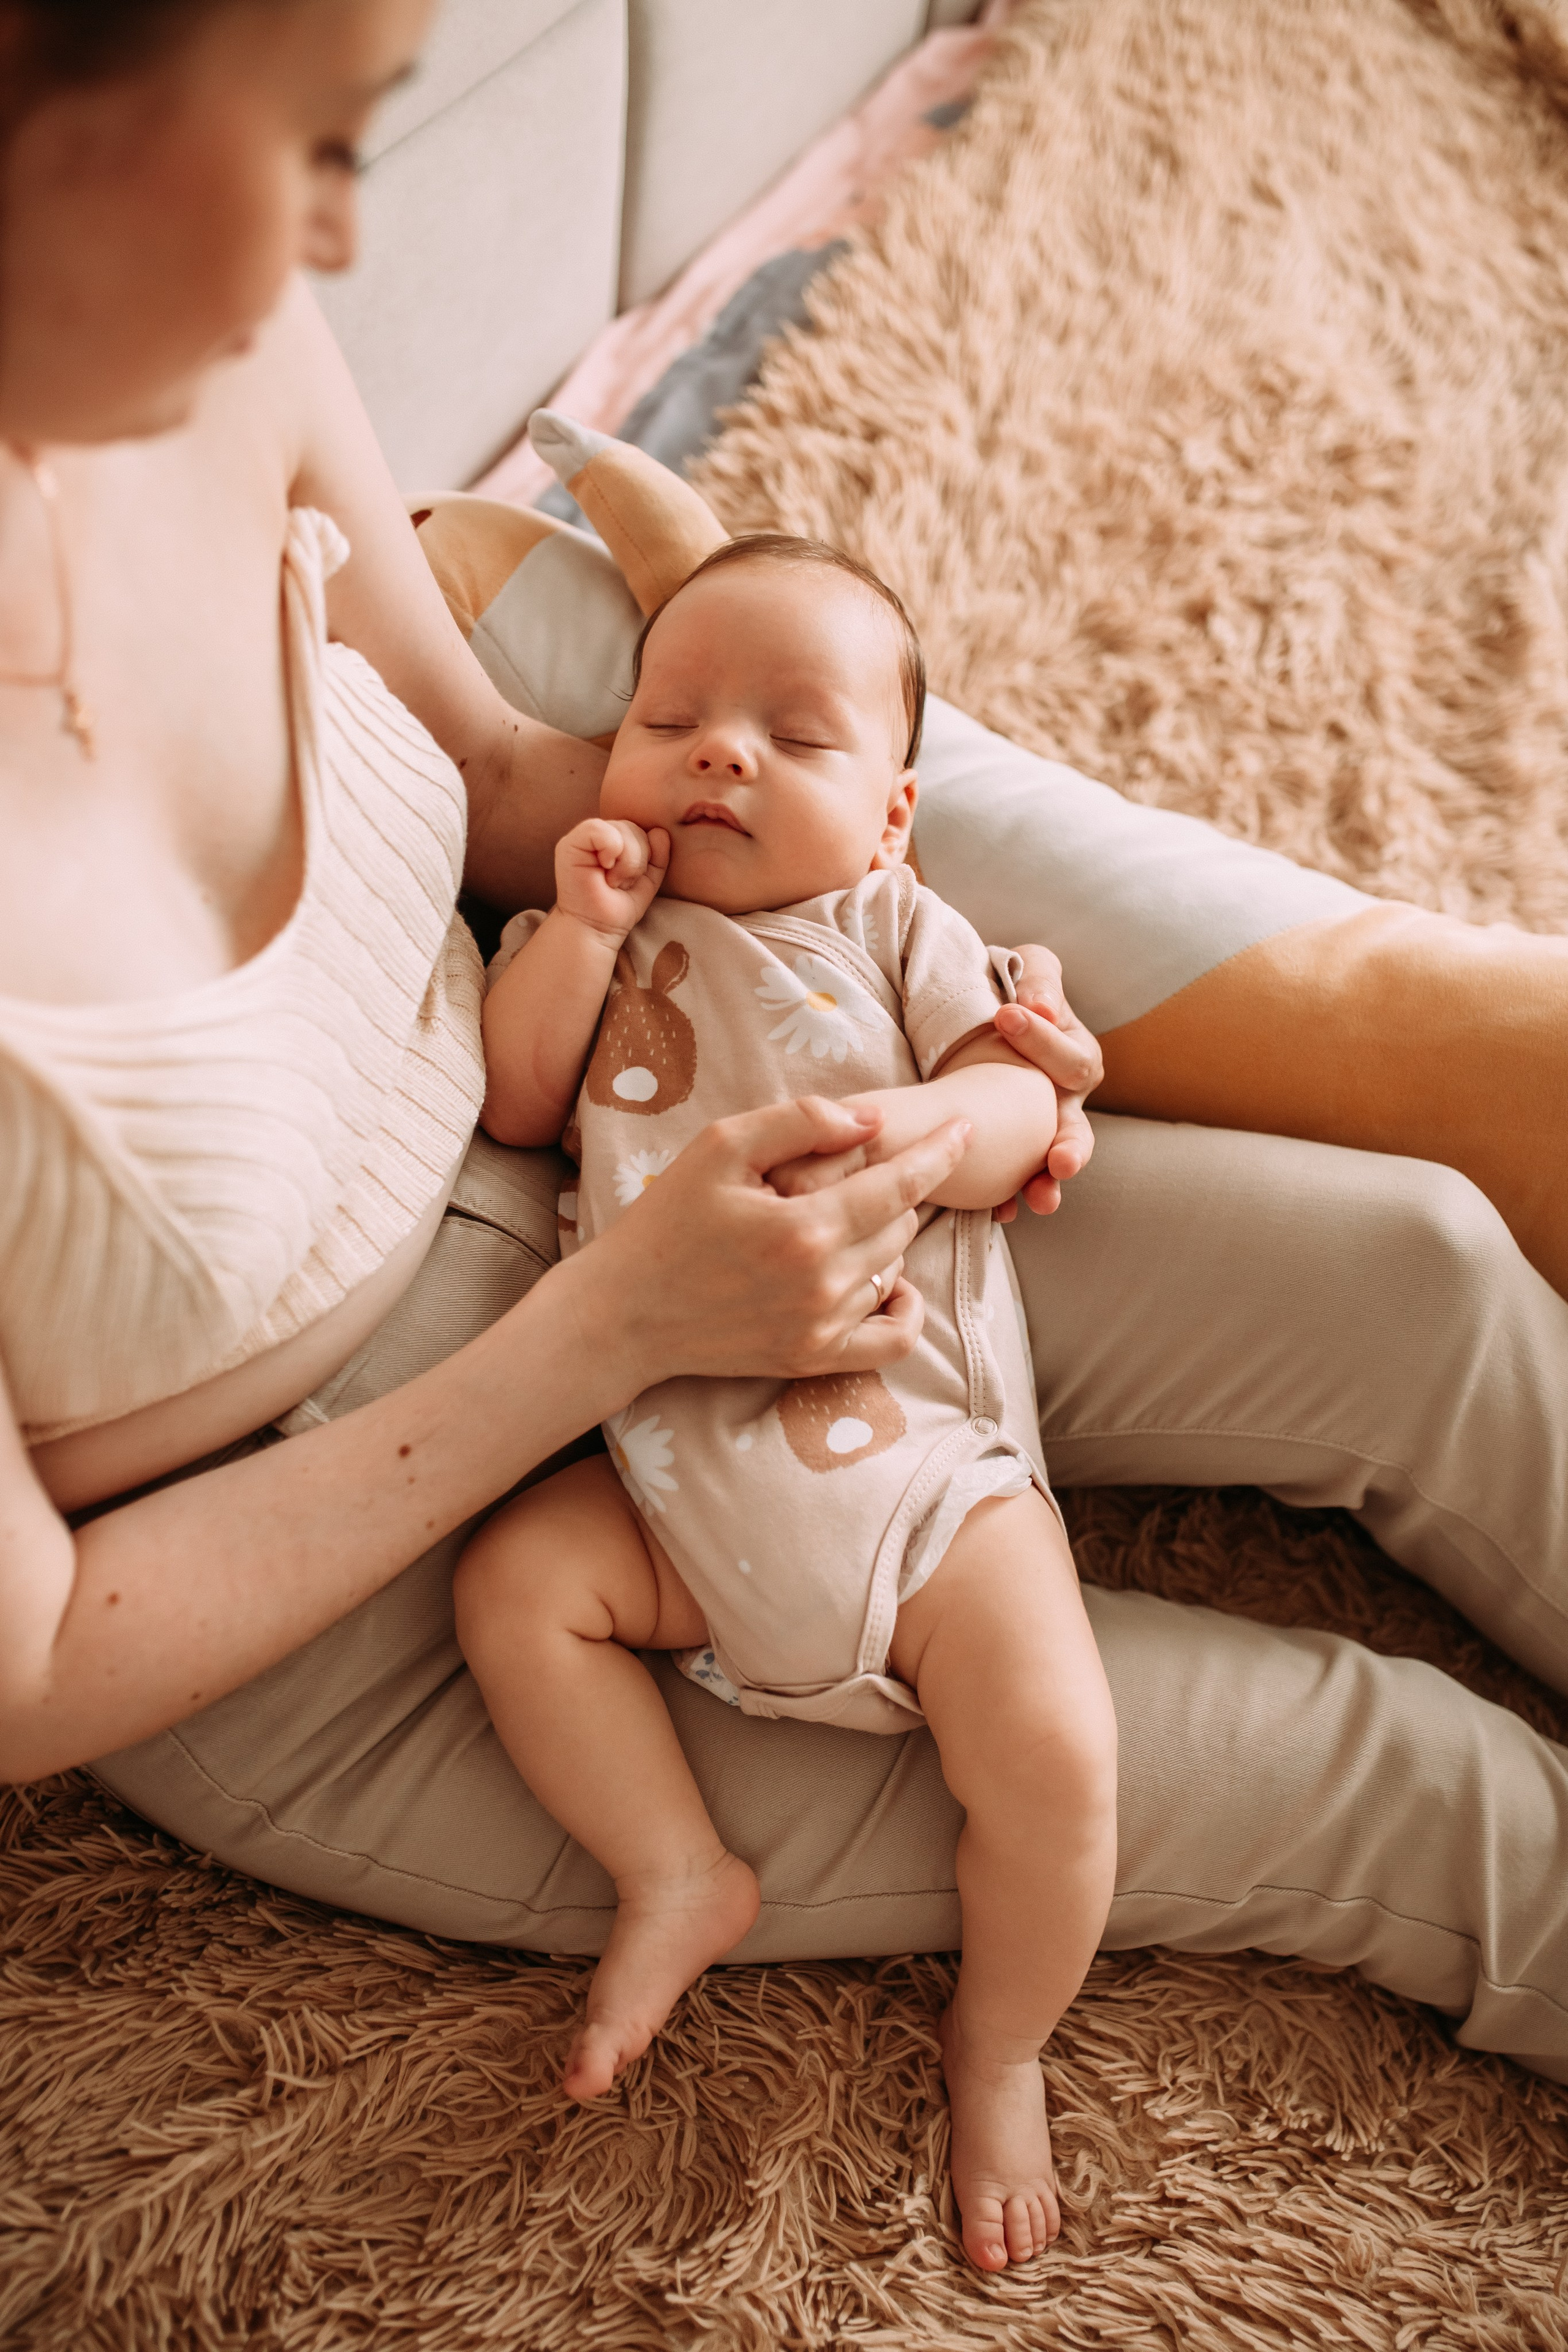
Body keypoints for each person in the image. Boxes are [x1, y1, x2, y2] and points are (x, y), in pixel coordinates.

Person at [1, 0, 1565, 2278]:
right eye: (298, 140)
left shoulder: (219, 326)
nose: (343, 228)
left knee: (1419, 1271)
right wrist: (607, 1334)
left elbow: (524, 785)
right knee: (1406, 1777)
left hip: (640, 1137)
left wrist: (905, 949)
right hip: (345, 1573)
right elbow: (28, 1675)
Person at [462, 533, 1115, 2268]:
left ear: (894, 815)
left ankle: (1003, 2045)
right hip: (680, 1483)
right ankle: (678, 1865)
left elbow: (1008, 1119)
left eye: (793, 735)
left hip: (914, 1473)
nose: (719, 751)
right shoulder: (585, 928)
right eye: (670, 715)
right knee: (517, 1587)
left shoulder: (894, 924)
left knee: (1055, 1750)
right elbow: (523, 1104)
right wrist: (583, 927)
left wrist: (929, 1128)